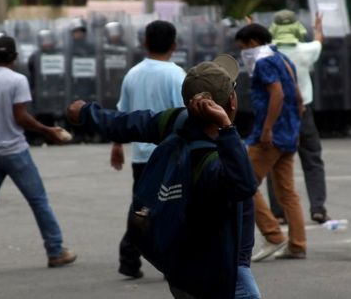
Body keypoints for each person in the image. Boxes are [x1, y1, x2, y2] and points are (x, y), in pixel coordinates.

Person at [66, 55, 260, 299]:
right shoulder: (216, 160)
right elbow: (245, 184)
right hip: (221, 273)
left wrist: (85, 112)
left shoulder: (177, 121)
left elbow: (128, 123)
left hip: (181, 266)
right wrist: (227, 129)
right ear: (231, 102)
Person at [0, 36, 76, 276]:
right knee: (39, 201)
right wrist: (48, 130)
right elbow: (21, 117)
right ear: (14, 57)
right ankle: (55, 251)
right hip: (15, 153)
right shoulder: (17, 80)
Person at [111, 20, 186, 279]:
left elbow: (123, 115)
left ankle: (129, 259)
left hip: (141, 156)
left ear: (145, 43)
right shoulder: (177, 76)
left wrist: (117, 144)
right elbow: (185, 117)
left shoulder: (133, 74)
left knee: (141, 206)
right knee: (172, 208)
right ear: (175, 45)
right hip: (169, 156)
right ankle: (170, 260)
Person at [235, 23, 306, 261]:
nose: (242, 52)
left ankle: (273, 235)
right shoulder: (282, 58)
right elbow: (298, 96)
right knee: (287, 193)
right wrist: (293, 126)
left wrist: (267, 128)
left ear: (252, 43)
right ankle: (297, 245)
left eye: (242, 47)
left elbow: (277, 93)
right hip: (288, 133)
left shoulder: (263, 62)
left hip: (269, 136)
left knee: (242, 182)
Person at [266, 10, 331, 224]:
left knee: (275, 161)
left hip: (275, 114)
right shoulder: (307, 50)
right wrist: (318, 28)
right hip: (303, 113)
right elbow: (319, 41)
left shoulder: (266, 53)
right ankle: (318, 208)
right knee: (312, 159)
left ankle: (278, 212)